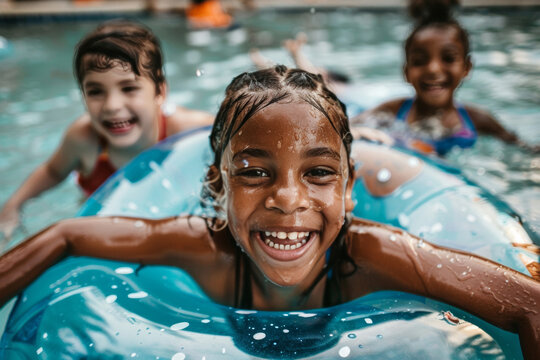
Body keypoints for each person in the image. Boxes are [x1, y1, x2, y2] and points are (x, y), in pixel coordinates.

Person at [0, 66, 538, 358]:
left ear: (349, 189)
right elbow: (69, 234)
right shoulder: (198, 246)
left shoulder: (378, 257)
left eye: (319, 173)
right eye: (255, 173)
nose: (288, 199)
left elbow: (529, 307)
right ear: (217, 183)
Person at [0, 20, 214, 241]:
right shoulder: (84, 140)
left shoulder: (188, 132)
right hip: (102, 222)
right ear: (83, 96)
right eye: (95, 92)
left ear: (160, 91)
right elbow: (52, 172)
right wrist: (13, 206)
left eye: (129, 88)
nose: (112, 106)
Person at [351, 0, 537, 156]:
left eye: (448, 59)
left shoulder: (478, 120)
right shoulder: (392, 112)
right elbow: (345, 128)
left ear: (466, 67)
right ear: (406, 72)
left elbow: (521, 147)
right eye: (420, 61)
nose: (433, 69)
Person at [250, 33, 394, 145]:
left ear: (330, 78)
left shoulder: (341, 89)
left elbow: (310, 80)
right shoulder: (333, 97)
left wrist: (296, 54)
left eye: (320, 73)